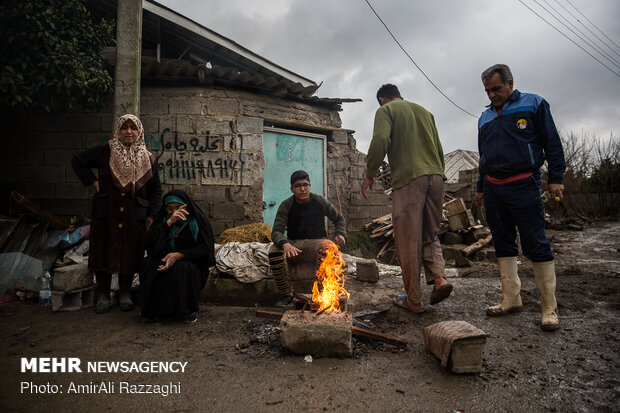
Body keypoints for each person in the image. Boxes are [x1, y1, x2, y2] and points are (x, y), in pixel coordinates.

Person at [474, 64, 565, 331]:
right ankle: (511, 299)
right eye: (488, 91)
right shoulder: (485, 118)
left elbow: (552, 143)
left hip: (524, 184)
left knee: (536, 243)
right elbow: (484, 157)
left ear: (510, 83)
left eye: (496, 89)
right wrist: (480, 188)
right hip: (493, 189)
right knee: (503, 243)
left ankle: (549, 308)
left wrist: (556, 178)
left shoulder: (533, 104)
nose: (492, 95)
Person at [362, 84, 452, 314]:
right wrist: (436, 175)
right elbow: (439, 149)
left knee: (408, 239)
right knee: (430, 234)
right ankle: (439, 280)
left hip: (410, 179)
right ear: (400, 95)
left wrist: (370, 173)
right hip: (437, 177)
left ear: (382, 99)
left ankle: (414, 299)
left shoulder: (386, 111)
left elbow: (381, 139)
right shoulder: (425, 112)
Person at [72, 114, 162, 314]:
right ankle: (103, 295)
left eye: (133, 128)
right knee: (103, 249)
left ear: (139, 132)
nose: (128, 131)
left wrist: (151, 214)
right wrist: (93, 182)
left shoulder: (148, 158)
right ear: (118, 131)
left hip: (134, 214)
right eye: (124, 127)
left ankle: (124, 294)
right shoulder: (105, 151)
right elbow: (78, 161)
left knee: (130, 252)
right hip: (107, 212)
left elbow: (155, 189)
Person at [269, 170, 346, 306]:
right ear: (292, 189)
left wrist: (340, 233)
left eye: (305, 185)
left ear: (310, 186)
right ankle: (286, 295)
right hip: (294, 245)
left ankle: (323, 293)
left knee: (330, 248)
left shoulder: (320, 201)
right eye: (298, 186)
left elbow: (339, 219)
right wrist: (285, 244)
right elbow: (276, 232)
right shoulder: (286, 205)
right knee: (274, 251)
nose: (302, 189)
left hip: (317, 242)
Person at [138, 190, 215, 323]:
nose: (174, 212)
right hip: (163, 258)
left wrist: (179, 255)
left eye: (178, 208)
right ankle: (155, 310)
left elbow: (205, 250)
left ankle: (187, 311)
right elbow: (149, 244)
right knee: (148, 265)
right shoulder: (162, 220)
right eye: (170, 209)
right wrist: (168, 224)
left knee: (181, 269)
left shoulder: (197, 221)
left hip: (190, 262)